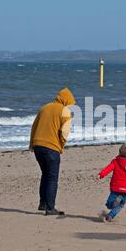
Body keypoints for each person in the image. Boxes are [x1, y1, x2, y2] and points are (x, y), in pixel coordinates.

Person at [29, 88, 75, 216]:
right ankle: (50, 208)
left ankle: (43, 203)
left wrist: (32, 143)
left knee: (45, 174)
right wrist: (61, 145)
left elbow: (34, 126)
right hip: (52, 147)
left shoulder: (44, 107)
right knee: (52, 178)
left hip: (38, 145)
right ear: (66, 100)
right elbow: (65, 132)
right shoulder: (64, 111)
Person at [98, 144, 126, 222]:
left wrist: (101, 174)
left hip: (115, 187)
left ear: (120, 152)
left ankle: (112, 205)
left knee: (109, 204)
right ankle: (110, 216)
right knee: (120, 205)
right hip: (125, 189)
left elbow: (108, 169)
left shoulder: (115, 162)